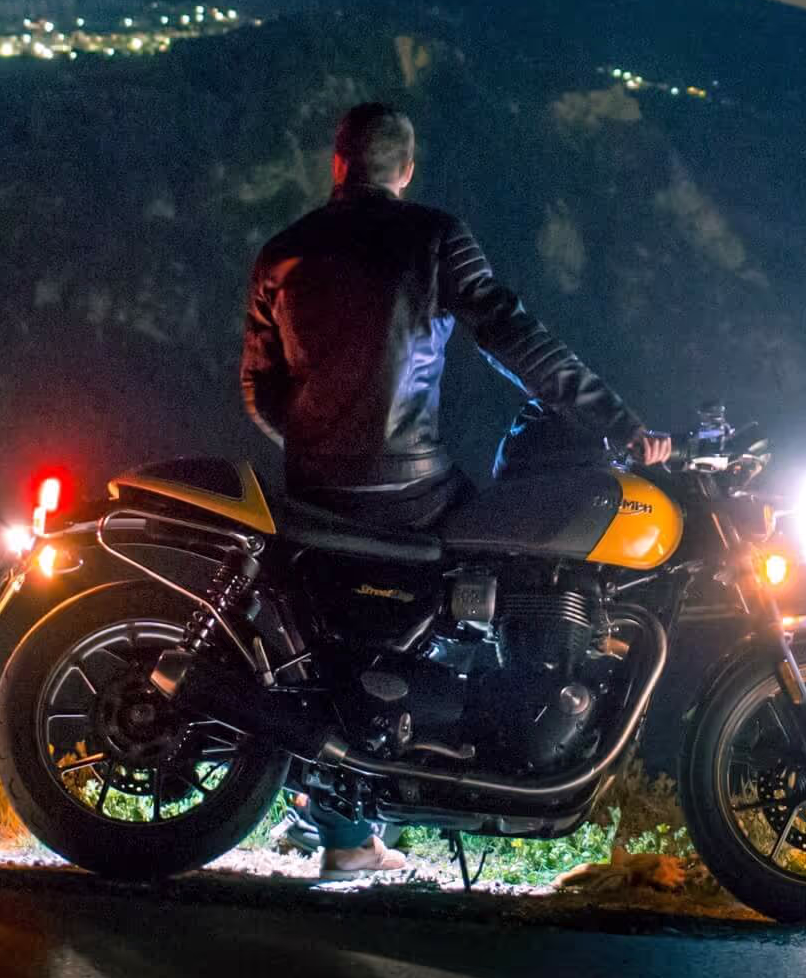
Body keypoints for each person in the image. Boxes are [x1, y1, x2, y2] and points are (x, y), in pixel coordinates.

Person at [240, 98, 665, 878]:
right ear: (404, 170)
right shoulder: (432, 238)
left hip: (309, 492)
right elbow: (515, 338)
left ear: (337, 165)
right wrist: (620, 423)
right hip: (409, 487)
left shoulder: (283, 251)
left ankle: (328, 812)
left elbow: (258, 390)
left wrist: (317, 452)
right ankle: (441, 777)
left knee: (342, 634)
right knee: (510, 569)